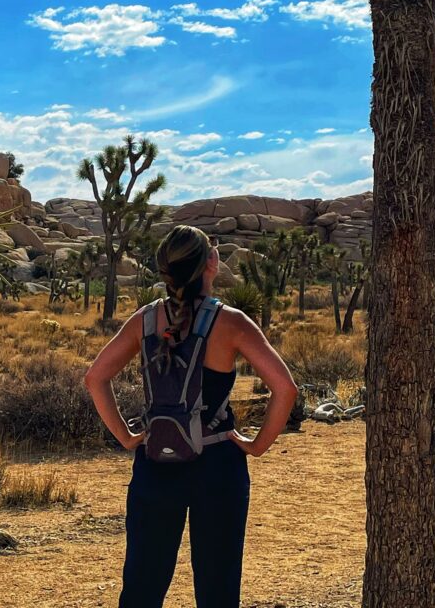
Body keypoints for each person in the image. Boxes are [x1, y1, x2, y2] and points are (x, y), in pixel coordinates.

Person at [84, 224, 299, 608]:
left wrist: (128, 437)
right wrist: (257, 446)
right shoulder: (231, 322)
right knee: (218, 587)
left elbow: (95, 377)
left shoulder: (145, 321)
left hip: (155, 462)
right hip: (218, 463)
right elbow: (285, 388)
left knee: (142, 587)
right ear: (211, 264)